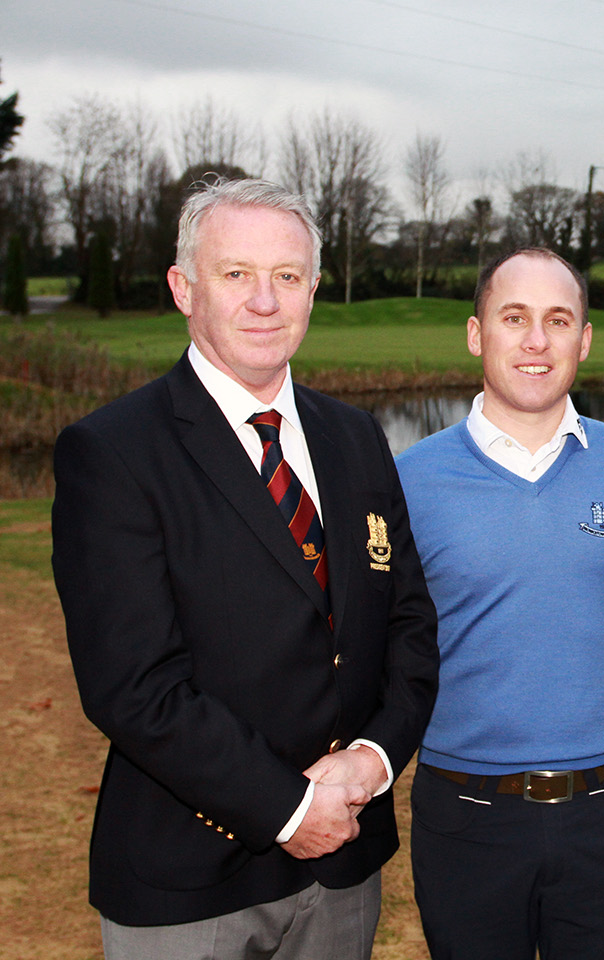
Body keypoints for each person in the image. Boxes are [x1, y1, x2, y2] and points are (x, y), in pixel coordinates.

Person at [51, 178, 439, 959]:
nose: (266, 301)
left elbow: (408, 626)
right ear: (183, 289)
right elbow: (134, 686)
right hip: (189, 882)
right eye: (237, 274)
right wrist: (290, 810)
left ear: (313, 290)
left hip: (344, 864)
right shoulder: (114, 453)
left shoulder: (355, 437)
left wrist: (371, 761)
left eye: (287, 276)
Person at [395, 247, 604, 960]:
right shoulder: (408, 479)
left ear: (585, 339)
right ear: (476, 333)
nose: (536, 341)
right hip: (465, 815)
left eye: (558, 320)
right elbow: (396, 632)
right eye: (514, 317)